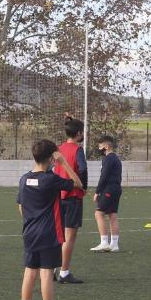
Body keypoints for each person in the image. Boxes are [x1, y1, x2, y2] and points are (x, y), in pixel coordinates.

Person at [16, 139, 80, 300]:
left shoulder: (24, 179)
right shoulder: (50, 179)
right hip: (48, 233)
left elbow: (21, 207)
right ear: (52, 157)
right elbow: (77, 183)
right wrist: (64, 163)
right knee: (45, 273)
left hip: (29, 232)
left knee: (29, 272)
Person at [53, 114, 88, 284]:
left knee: (59, 236)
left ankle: (52, 267)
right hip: (73, 196)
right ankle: (64, 272)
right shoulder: (77, 150)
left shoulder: (59, 149)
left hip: (58, 196)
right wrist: (84, 187)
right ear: (79, 133)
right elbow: (82, 169)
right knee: (69, 237)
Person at [90, 135, 123, 252]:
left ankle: (104, 242)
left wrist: (97, 192)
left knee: (98, 214)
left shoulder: (108, 159)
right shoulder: (116, 159)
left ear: (107, 146)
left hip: (109, 189)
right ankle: (114, 244)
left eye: (100, 146)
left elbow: (103, 176)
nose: (99, 149)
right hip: (116, 189)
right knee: (112, 215)